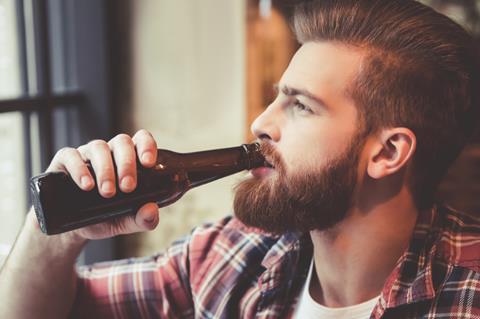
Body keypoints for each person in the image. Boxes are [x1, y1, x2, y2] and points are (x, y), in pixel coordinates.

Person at [1, 0, 480, 318]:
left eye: (301, 105)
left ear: (388, 152)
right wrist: (58, 236)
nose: (260, 122)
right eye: (278, 98)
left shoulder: (468, 293)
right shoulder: (237, 252)